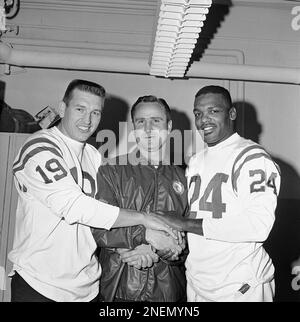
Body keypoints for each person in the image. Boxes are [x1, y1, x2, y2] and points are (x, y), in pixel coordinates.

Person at [8, 80, 179, 302]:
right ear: (63, 109)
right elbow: (75, 207)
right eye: (80, 109)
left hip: (86, 288)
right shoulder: (40, 147)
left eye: (95, 112)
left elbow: (104, 215)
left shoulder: (94, 156)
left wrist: (130, 248)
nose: (87, 120)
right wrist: (145, 223)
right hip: (40, 284)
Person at [158, 85, 281, 302]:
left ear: (231, 114)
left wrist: (184, 224)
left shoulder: (253, 157)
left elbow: (258, 226)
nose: (203, 120)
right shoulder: (196, 161)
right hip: (199, 281)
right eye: (198, 113)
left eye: (213, 111)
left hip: (241, 286)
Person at [92, 95, 188, 302]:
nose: (148, 128)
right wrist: (144, 236)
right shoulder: (111, 170)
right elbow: (98, 226)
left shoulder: (187, 178)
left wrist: (160, 250)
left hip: (169, 294)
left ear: (169, 126)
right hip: (119, 289)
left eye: (156, 121)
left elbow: (192, 241)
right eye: (141, 121)